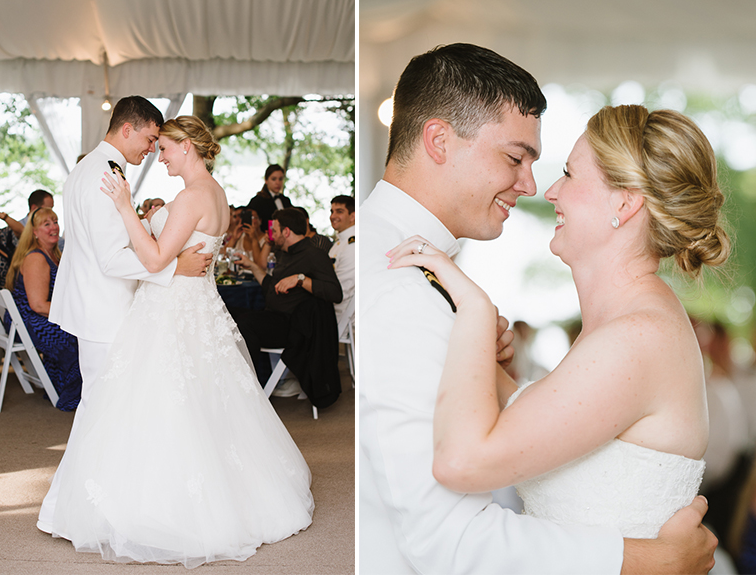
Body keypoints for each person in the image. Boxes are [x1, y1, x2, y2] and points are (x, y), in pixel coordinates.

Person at [360, 43, 717, 574]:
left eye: (568, 174)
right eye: (515, 157)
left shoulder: (636, 337)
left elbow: (464, 461)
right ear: (438, 140)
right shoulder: (398, 277)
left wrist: (476, 321)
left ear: (625, 204)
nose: (541, 188)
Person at [49, 115, 313, 567]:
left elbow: (153, 260)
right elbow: (176, 243)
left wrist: (128, 210)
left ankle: (157, 507)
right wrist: (156, 219)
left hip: (172, 309)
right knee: (200, 403)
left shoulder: (191, 197)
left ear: (186, 146)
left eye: (165, 147)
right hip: (195, 308)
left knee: (160, 404)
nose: (159, 154)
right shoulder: (215, 193)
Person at [37, 96, 212, 534]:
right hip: (105, 310)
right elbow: (110, 259)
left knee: (108, 409)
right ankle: (71, 509)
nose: (152, 149)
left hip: (95, 305)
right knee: (101, 410)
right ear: (128, 129)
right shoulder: (105, 174)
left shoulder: (90, 168)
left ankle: (92, 504)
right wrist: (173, 268)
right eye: (151, 139)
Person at [233, 208, 342, 387]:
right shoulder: (284, 252)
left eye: (274, 231)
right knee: (227, 313)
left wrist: (300, 279)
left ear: (286, 231)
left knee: (245, 324)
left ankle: (250, 389)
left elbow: (335, 293)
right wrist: (251, 265)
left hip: (293, 327)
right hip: (274, 315)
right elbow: (271, 285)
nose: (271, 235)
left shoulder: (314, 254)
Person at [5, 207, 81, 411]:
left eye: (55, 221)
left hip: (33, 315)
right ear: (35, 232)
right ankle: (71, 397)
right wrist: (76, 314)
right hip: (27, 320)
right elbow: (38, 305)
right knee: (77, 337)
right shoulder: (36, 258)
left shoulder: (54, 253)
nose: (54, 227)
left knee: (78, 329)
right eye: (46, 224)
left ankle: (58, 387)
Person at [328, 195, 355, 324]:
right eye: (332, 211)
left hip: (341, 315)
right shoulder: (339, 243)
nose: (333, 216)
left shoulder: (352, 245)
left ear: (352, 216)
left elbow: (343, 290)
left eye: (339, 211)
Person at [246, 164, 293, 232]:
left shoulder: (286, 200)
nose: (278, 182)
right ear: (266, 180)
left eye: (280, 179)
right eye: (274, 179)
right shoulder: (257, 201)